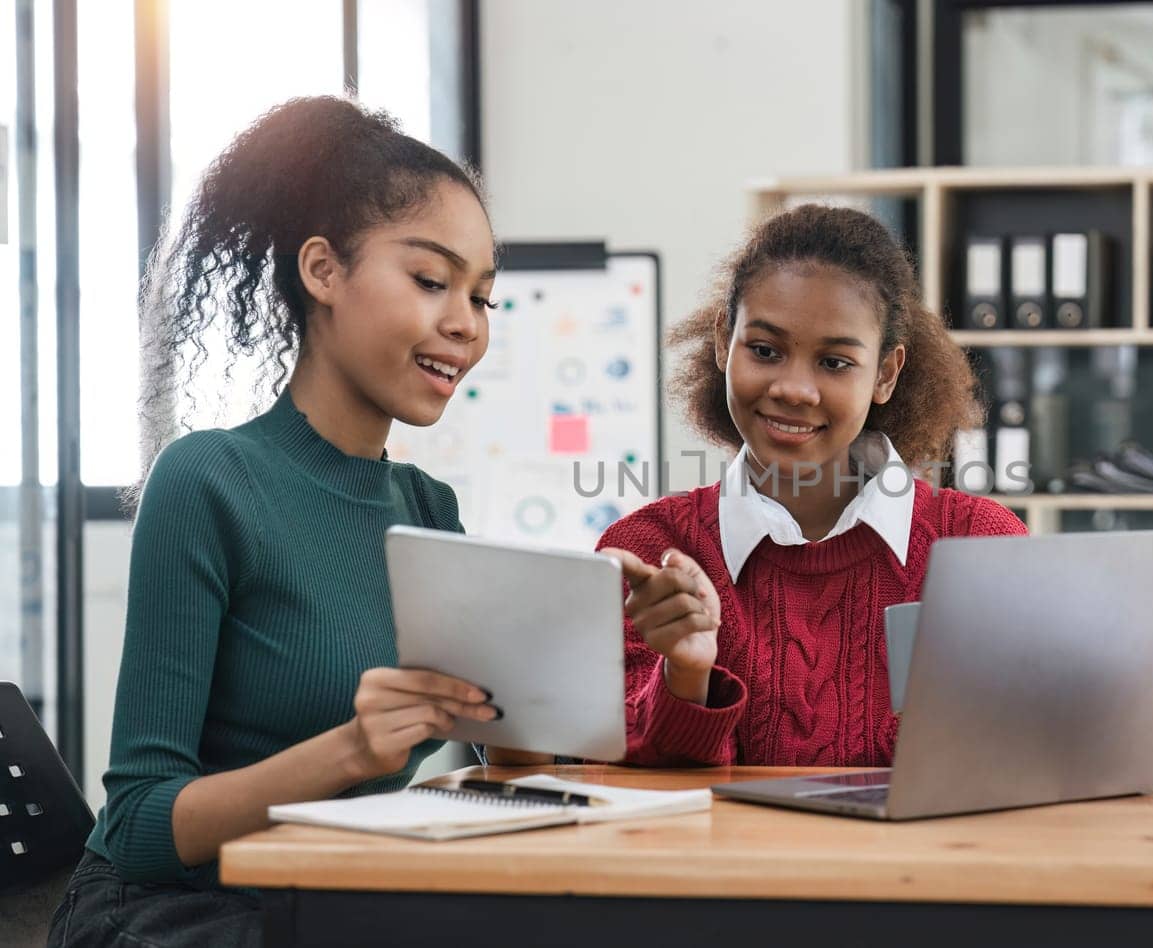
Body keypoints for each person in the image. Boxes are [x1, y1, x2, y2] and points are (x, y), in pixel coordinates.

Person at [48, 96, 498, 948]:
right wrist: (351, 752)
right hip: (170, 915)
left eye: (483, 298)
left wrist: (603, 643)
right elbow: (140, 825)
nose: (464, 325)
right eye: (432, 282)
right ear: (323, 271)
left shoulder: (430, 511)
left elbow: (492, 754)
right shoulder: (210, 479)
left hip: (324, 901)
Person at [538, 203, 1025, 768]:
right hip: (724, 861)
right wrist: (688, 673)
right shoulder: (649, 551)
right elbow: (617, 779)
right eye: (765, 351)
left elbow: (1022, 761)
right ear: (725, 342)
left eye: (835, 363)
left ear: (885, 374)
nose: (795, 389)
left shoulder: (978, 545)